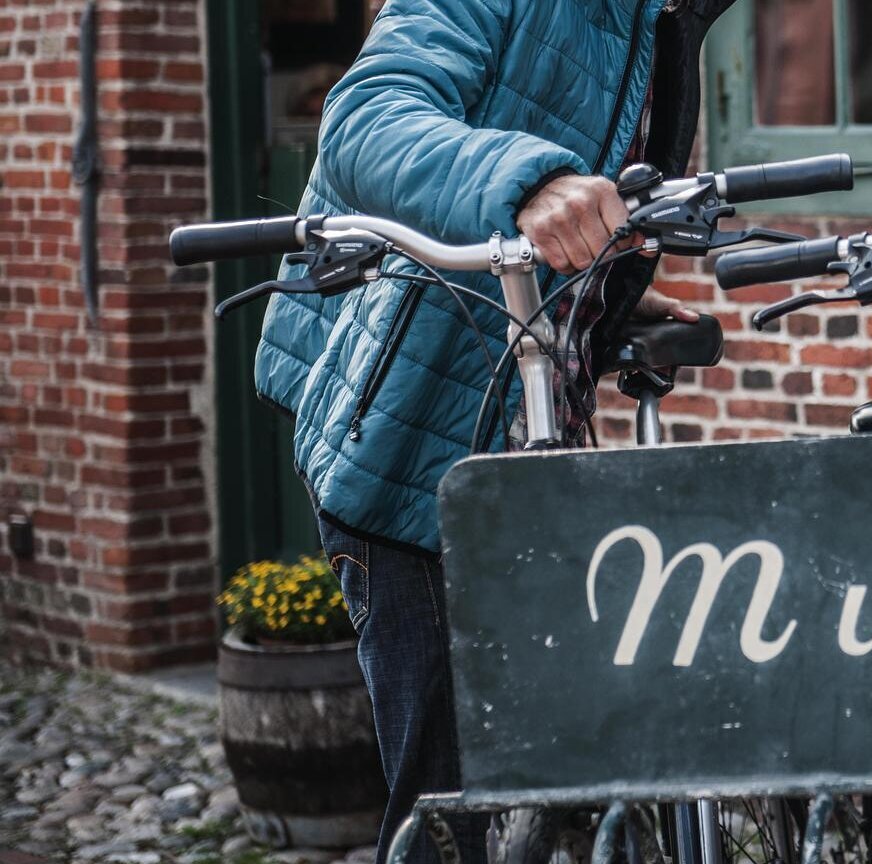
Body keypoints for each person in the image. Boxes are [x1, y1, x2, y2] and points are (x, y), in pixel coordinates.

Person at [252, 0, 731, 859]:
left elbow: (607, 190)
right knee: (446, 816)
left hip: (526, 448)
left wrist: (599, 299)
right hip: (409, 451)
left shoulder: (662, 17)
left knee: (563, 782)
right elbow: (363, 122)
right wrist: (529, 184)